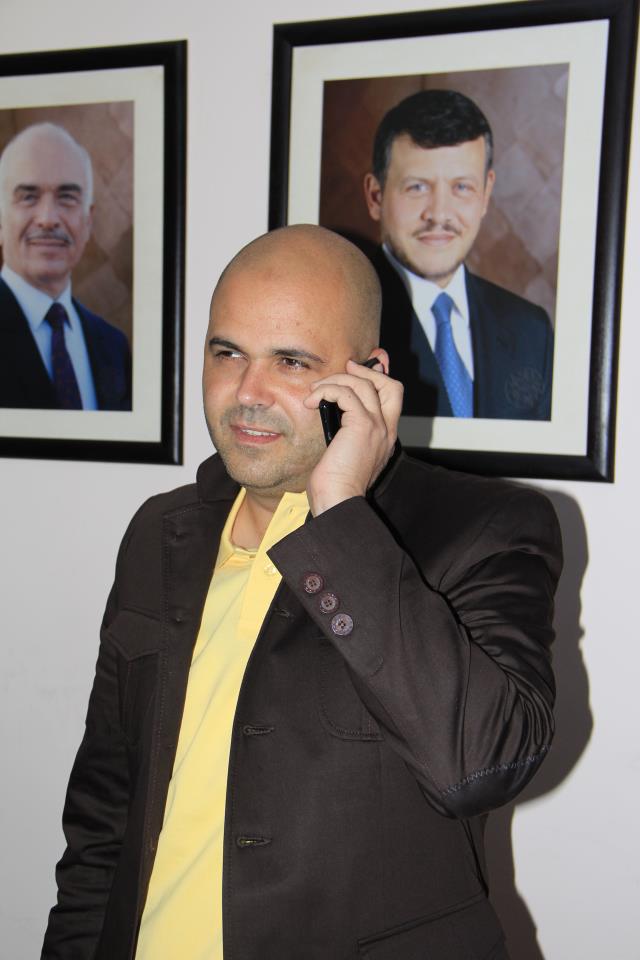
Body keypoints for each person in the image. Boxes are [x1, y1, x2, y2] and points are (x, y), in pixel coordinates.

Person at [41, 225, 562, 959]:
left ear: (369, 377)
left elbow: (479, 764)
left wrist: (343, 511)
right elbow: (104, 814)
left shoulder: (483, 528)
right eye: (227, 353)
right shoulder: (160, 532)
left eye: (290, 361)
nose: (246, 394)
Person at [363, 89, 554, 420]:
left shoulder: (531, 330)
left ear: (485, 193)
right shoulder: (344, 322)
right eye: (417, 187)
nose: (439, 214)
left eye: (462, 187)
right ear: (376, 197)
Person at [0, 122, 131, 410]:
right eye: (28, 197)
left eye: (67, 197)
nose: (48, 219)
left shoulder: (113, 347)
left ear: (88, 221)